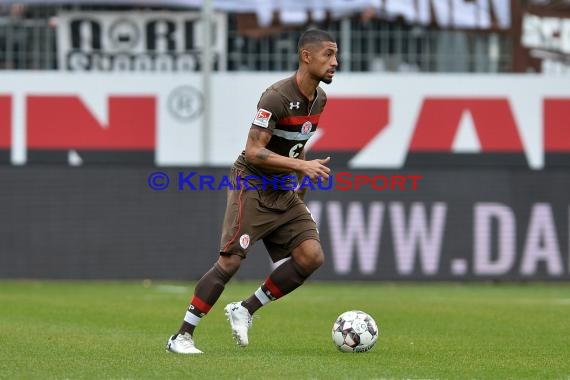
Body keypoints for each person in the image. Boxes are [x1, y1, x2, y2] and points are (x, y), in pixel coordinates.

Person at [166, 28, 338, 354]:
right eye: (328, 54)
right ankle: (182, 336)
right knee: (230, 261)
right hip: (253, 182)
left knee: (311, 256)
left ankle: (245, 309)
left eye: (336, 55)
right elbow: (254, 151)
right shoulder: (275, 96)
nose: (335, 62)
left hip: (281, 188)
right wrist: (302, 167)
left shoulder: (320, 99)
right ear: (306, 56)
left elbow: (294, 148)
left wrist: (301, 177)